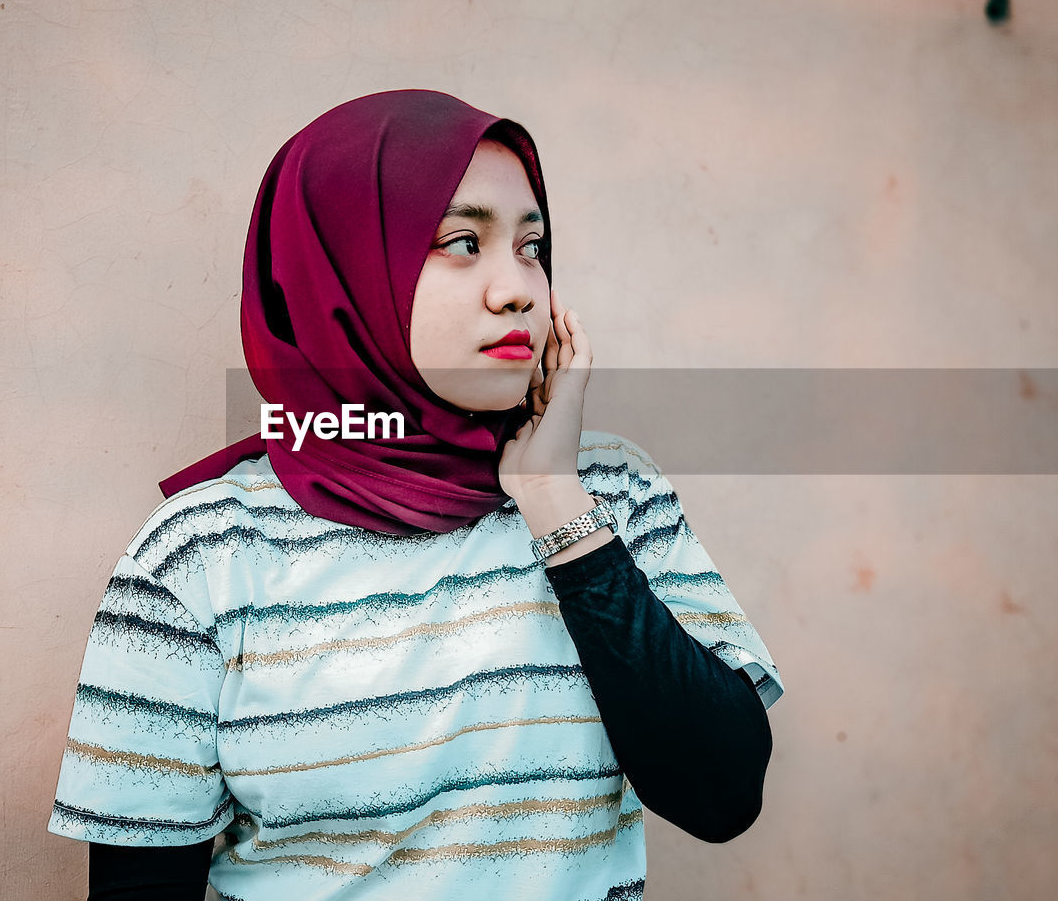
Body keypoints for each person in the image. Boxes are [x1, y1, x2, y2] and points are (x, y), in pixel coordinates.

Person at [47, 89, 784, 901]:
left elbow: (720, 798)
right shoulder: (203, 556)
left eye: (533, 247)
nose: (518, 290)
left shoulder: (610, 494)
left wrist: (554, 504)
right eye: (464, 242)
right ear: (346, 267)